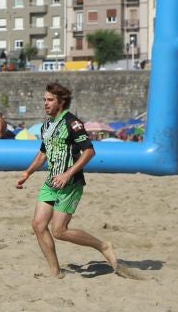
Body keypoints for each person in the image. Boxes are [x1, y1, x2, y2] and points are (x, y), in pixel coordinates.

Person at [15, 82, 121, 278]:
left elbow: (89, 151)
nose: (45, 103)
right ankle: (56, 272)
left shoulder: (73, 123)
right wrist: (27, 173)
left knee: (60, 231)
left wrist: (68, 173)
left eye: (49, 100)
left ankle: (103, 246)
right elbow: (42, 154)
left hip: (70, 183)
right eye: (44, 100)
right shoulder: (47, 125)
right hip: (51, 182)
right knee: (38, 225)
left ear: (61, 102)